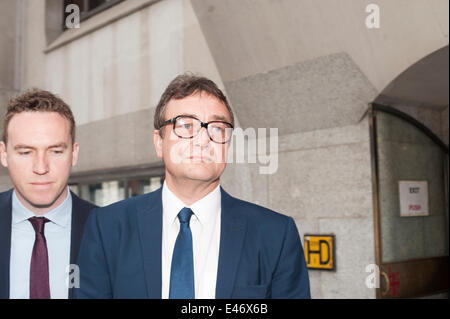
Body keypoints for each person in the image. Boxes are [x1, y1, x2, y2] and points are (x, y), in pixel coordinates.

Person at [75, 74, 310, 299]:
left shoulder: (275, 234)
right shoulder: (107, 228)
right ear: (159, 142)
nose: (203, 140)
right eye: (186, 126)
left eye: (217, 128)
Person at [0, 89, 96, 299]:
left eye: (55, 151)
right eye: (25, 152)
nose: (41, 167)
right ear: (4, 154)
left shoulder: (109, 229)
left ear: (74, 153)